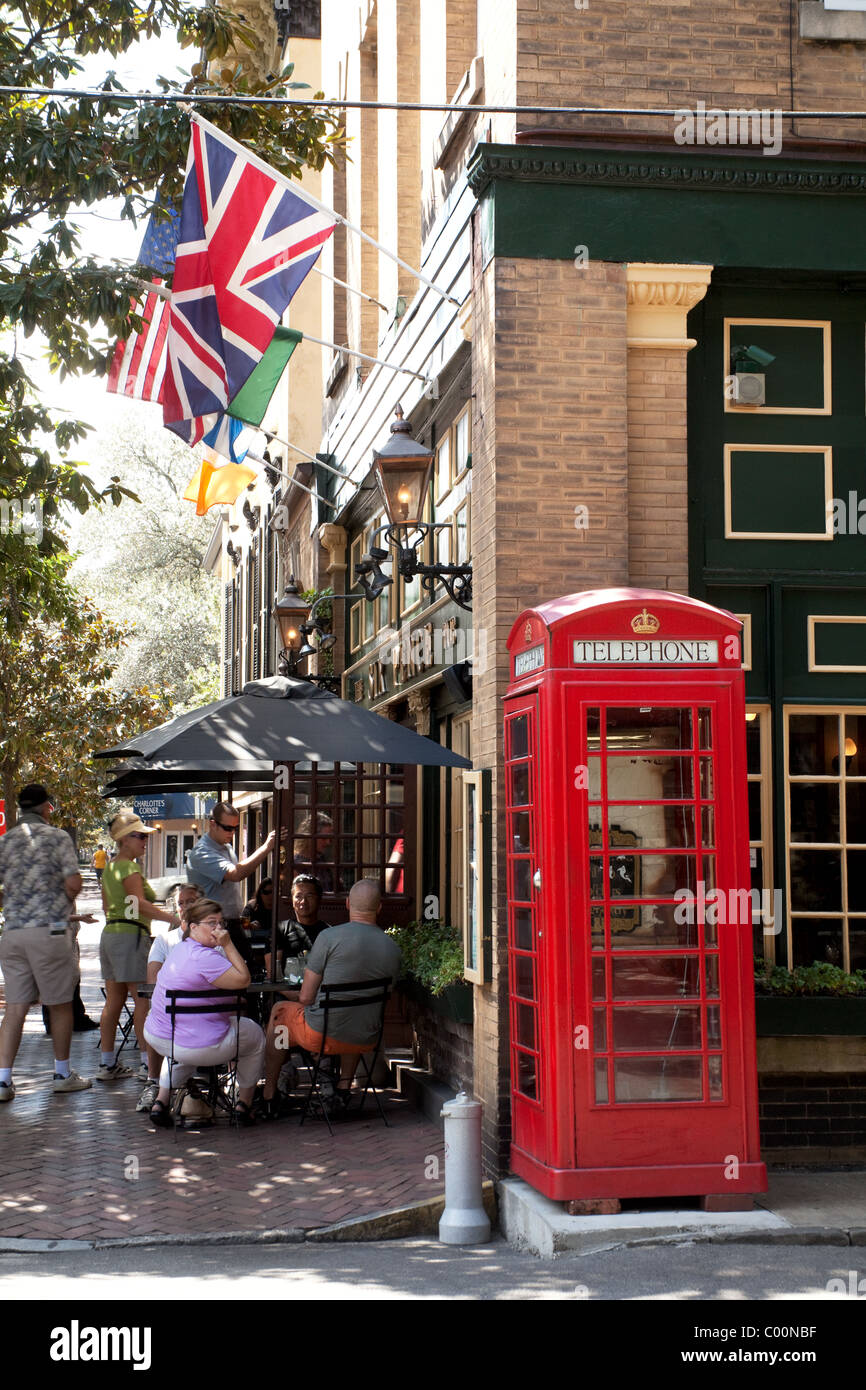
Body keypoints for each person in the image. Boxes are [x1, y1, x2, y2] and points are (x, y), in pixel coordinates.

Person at [261, 878, 401, 1117]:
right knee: (353, 1017)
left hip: (322, 1035)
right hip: (366, 1036)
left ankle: (271, 1091)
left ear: (347, 904)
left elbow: (305, 998)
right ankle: (342, 1089)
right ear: (379, 909)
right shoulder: (392, 947)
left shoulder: (329, 938)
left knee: (280, 1013)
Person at [0, 784, 91, 1100]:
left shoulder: (6, 841)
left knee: (15, 1008)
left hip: (12, 933)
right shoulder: (57, 838)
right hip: (49, 932)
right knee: (60, 1004)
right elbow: (74, 882)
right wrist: (63, 898)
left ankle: (3, 1080)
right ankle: (62, 1073)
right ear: (46, 807)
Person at [143, 898, 266, 1128]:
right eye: (212, 923)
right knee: (256, 1035)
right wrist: (228, 945)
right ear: (193, 927)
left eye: (221, 923)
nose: (219, 929)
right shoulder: (208, 957)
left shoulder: (179, 950)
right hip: (198, 1043)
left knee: (185, 1041)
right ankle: (244, 1104)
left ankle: (162, 1100)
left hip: (162, 1037)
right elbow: (244, 979)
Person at [98, 810, 180, 1082]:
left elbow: (107, 906)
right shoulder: (129, 867)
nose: (144, 841)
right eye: (139, 836)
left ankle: (107, 1063)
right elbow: (138, 904)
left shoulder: (110, 867)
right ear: (124, 840)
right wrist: (174, 919)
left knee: (114, 1001)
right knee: (142, 999)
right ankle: (148, 1065)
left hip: (110, 934)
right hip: (130, 936)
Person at [135, 882, 203, 1113]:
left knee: (239, 1014)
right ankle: (154, 1082)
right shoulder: (165, 941)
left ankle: (233, 1086)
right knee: (154, 1014)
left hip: (206, 1015)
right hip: (175, 1014)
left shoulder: (215, 939)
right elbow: (153, 981)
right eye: (180, 903)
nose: (184, 907)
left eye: (190, 901)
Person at [186, 804, 277, 935]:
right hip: (212, 926)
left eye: (235, 828)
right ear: (213, 824)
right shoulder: (202, 852)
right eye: (227, 828)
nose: (232, 832)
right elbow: (236, 874)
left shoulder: (226, 846)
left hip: (230, 923)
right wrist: (267, 847)